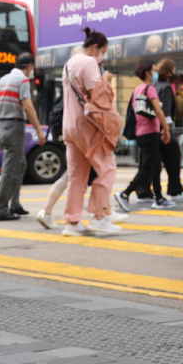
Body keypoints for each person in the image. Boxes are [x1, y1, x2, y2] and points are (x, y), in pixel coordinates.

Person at [61, 27, 122, 236]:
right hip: (87, 125)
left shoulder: (69, 63)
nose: (101, 56)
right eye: (102, 51)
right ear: (95, 47)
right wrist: (105, 78)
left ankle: (72, 222)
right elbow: (99, 96)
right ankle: (99, 216)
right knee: (107, 168)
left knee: (76, 176)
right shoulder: (88, 63)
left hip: (69, 124)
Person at [114, 61, 175, 213]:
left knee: (155, 166)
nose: (155, 73)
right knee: (148, 167)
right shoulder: (150, 89)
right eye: (154, 70)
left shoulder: (137, 89)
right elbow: (159, 112)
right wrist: (166, 129)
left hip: (141, 133)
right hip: (150, 133)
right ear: (148, 73)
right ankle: (125, 193)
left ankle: (159, 198)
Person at [0, 53, 44, 221]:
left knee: (20, 165)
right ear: (28, 66)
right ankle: (1, 209)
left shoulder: (2, 80)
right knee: (9, 170)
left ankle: (15, 203)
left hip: (1, 126)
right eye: (32, 68)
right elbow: (28, 106)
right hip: (14, 127)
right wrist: (39, 131)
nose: (32, 72)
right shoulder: (22, 80)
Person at [153, 59, 183, 198]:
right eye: (174, 68)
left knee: (157, 162)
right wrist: (167, 130)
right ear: (169, 71)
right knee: (174, 158)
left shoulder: (154, 85)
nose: (175, 71)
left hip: (154, 129)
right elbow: (165, 111)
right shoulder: (166, 87)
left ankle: (153, 191)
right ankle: (175, 189)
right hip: (164, 129)